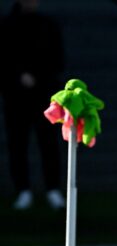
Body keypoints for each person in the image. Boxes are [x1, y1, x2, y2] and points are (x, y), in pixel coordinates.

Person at [0, 0, 65, 210]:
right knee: (17, 143)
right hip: (15, 97)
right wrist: (19, 76)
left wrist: (37, 76)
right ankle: (23, 190)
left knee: (48, 142)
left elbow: (57, 59)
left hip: (44, 95)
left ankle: (52, 189)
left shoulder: (48, 25)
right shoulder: (7, 26)